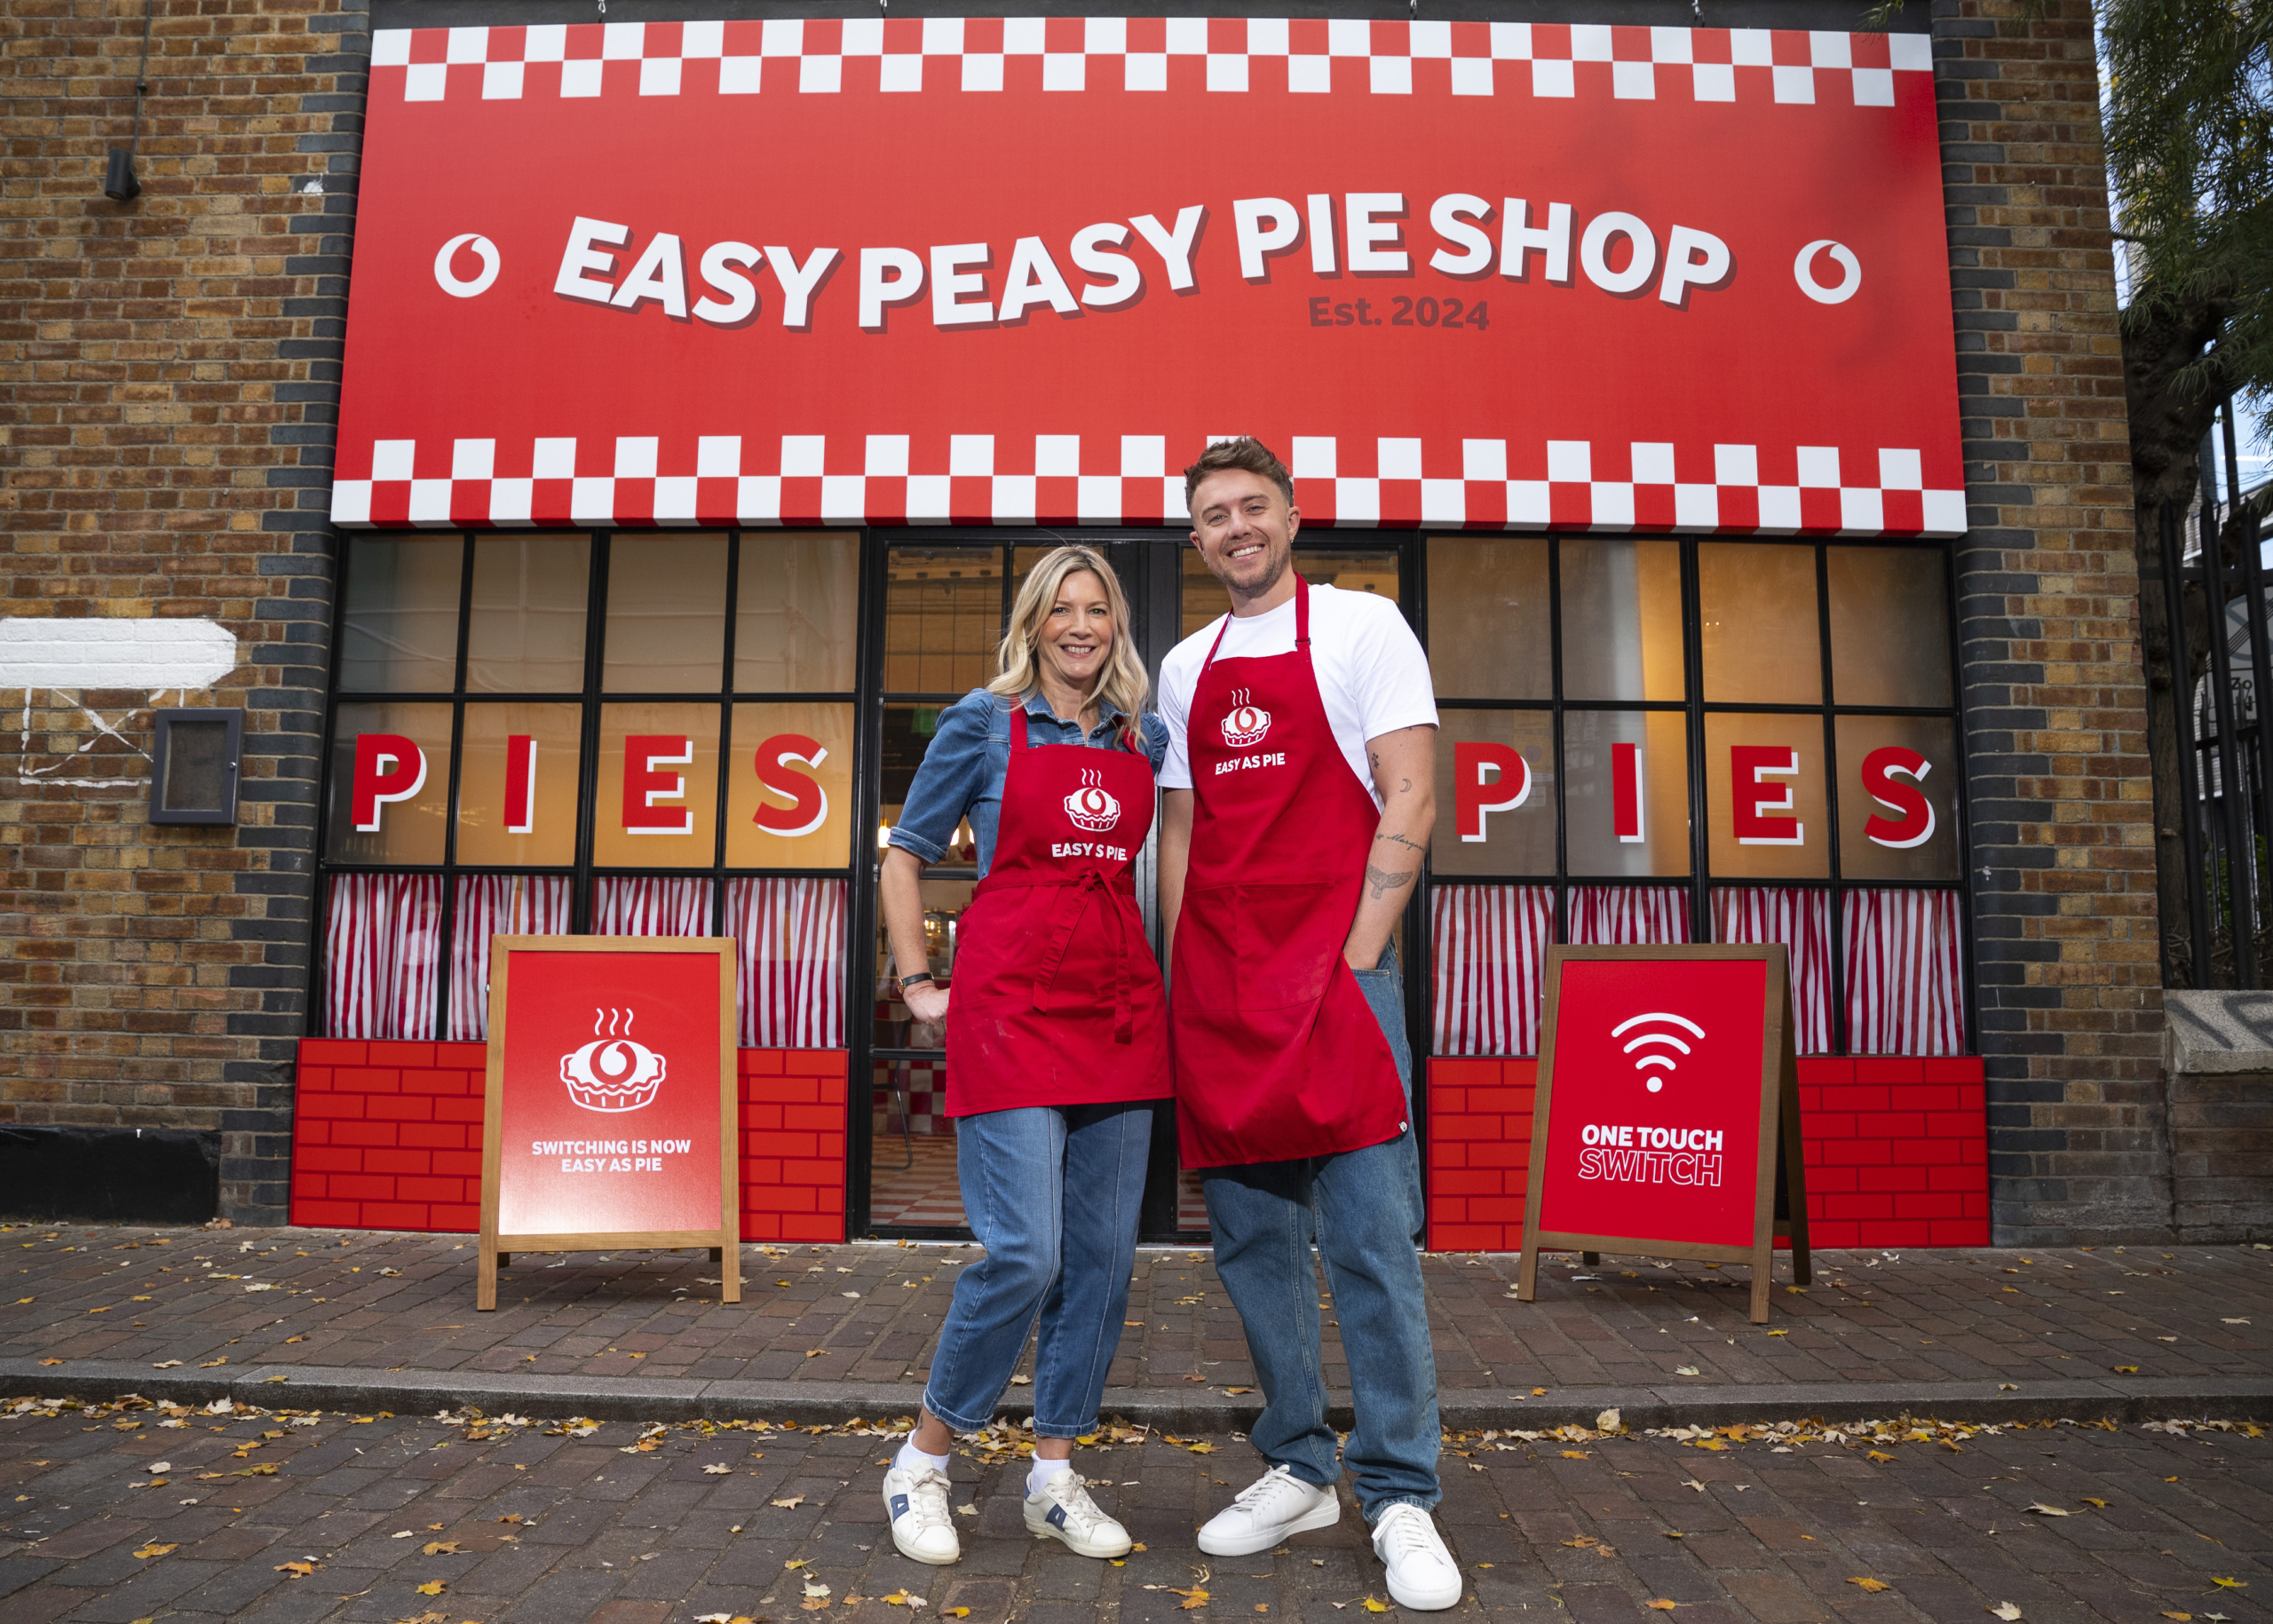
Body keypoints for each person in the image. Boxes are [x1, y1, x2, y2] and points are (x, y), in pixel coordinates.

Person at [1156, 439, 1459, 1611]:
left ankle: (1400, 1492)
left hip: (1341, 975)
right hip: (1226, 987)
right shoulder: (1187, 666)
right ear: (1197, 540)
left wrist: (1361, 956)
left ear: (1290, 515)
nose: (1237, 526)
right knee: (1253, 1247)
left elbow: (1411, 790)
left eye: (1253, 506)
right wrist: (1186, 977)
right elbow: (1181, 833)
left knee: (1375, 1244)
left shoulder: (1364, 628)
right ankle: (1298, 1461)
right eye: (1214, 515)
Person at [875, 544, 1172, 1568]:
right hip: (1007, 1007)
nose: (1081, 626)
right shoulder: (984, 720)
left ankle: (1053, 1475)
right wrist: (918, 981)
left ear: (1114, 624)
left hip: (1119, 1011)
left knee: (1099, 1259)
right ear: (1034, 622)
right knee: (1025, 1251)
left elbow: (1162, 867)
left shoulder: (1144, 733)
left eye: (1098, 610)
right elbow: (905, 851)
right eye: (1063, 609)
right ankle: (922, 1457)